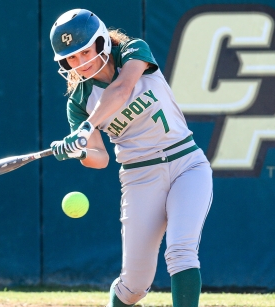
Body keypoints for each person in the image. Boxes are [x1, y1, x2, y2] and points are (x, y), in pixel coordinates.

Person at [48, 9, 213, 307]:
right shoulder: (79, 101)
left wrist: (86, 128)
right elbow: (100, 158)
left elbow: (122, 90)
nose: (80, 63)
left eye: (85, 51)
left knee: (181, 252)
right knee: (134, 285)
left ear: (101, 42)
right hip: (140, 177)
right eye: (71, 58)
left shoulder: (132, 51)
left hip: (186, 163)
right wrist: (80, 150)